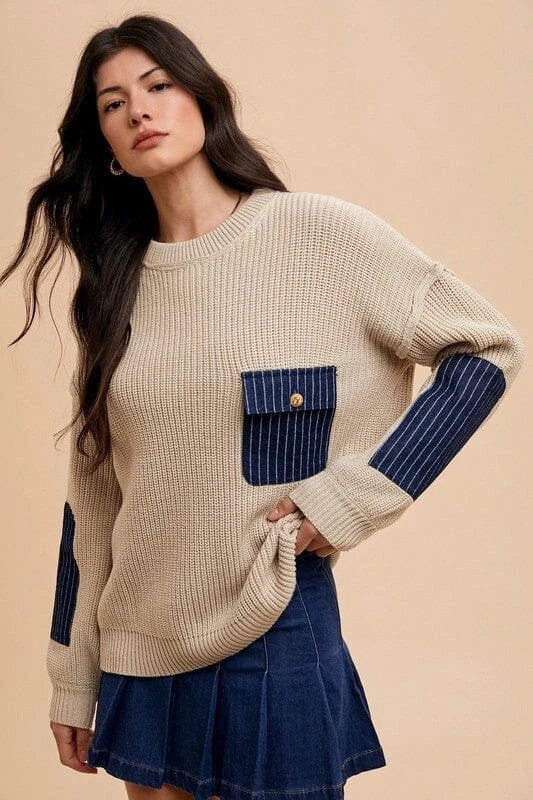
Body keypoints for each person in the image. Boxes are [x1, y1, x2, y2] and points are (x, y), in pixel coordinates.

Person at [0, 12, 525, 800]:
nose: (138, 110)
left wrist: (350, 499)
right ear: (103, 142)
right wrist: (73, 676)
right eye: (112, 103)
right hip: (138, 646)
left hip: (269, 621)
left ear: (203, 98)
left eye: (157, 85)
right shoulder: (114, 287)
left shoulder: (317, 235)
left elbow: (485, 349)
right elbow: (94, 499)